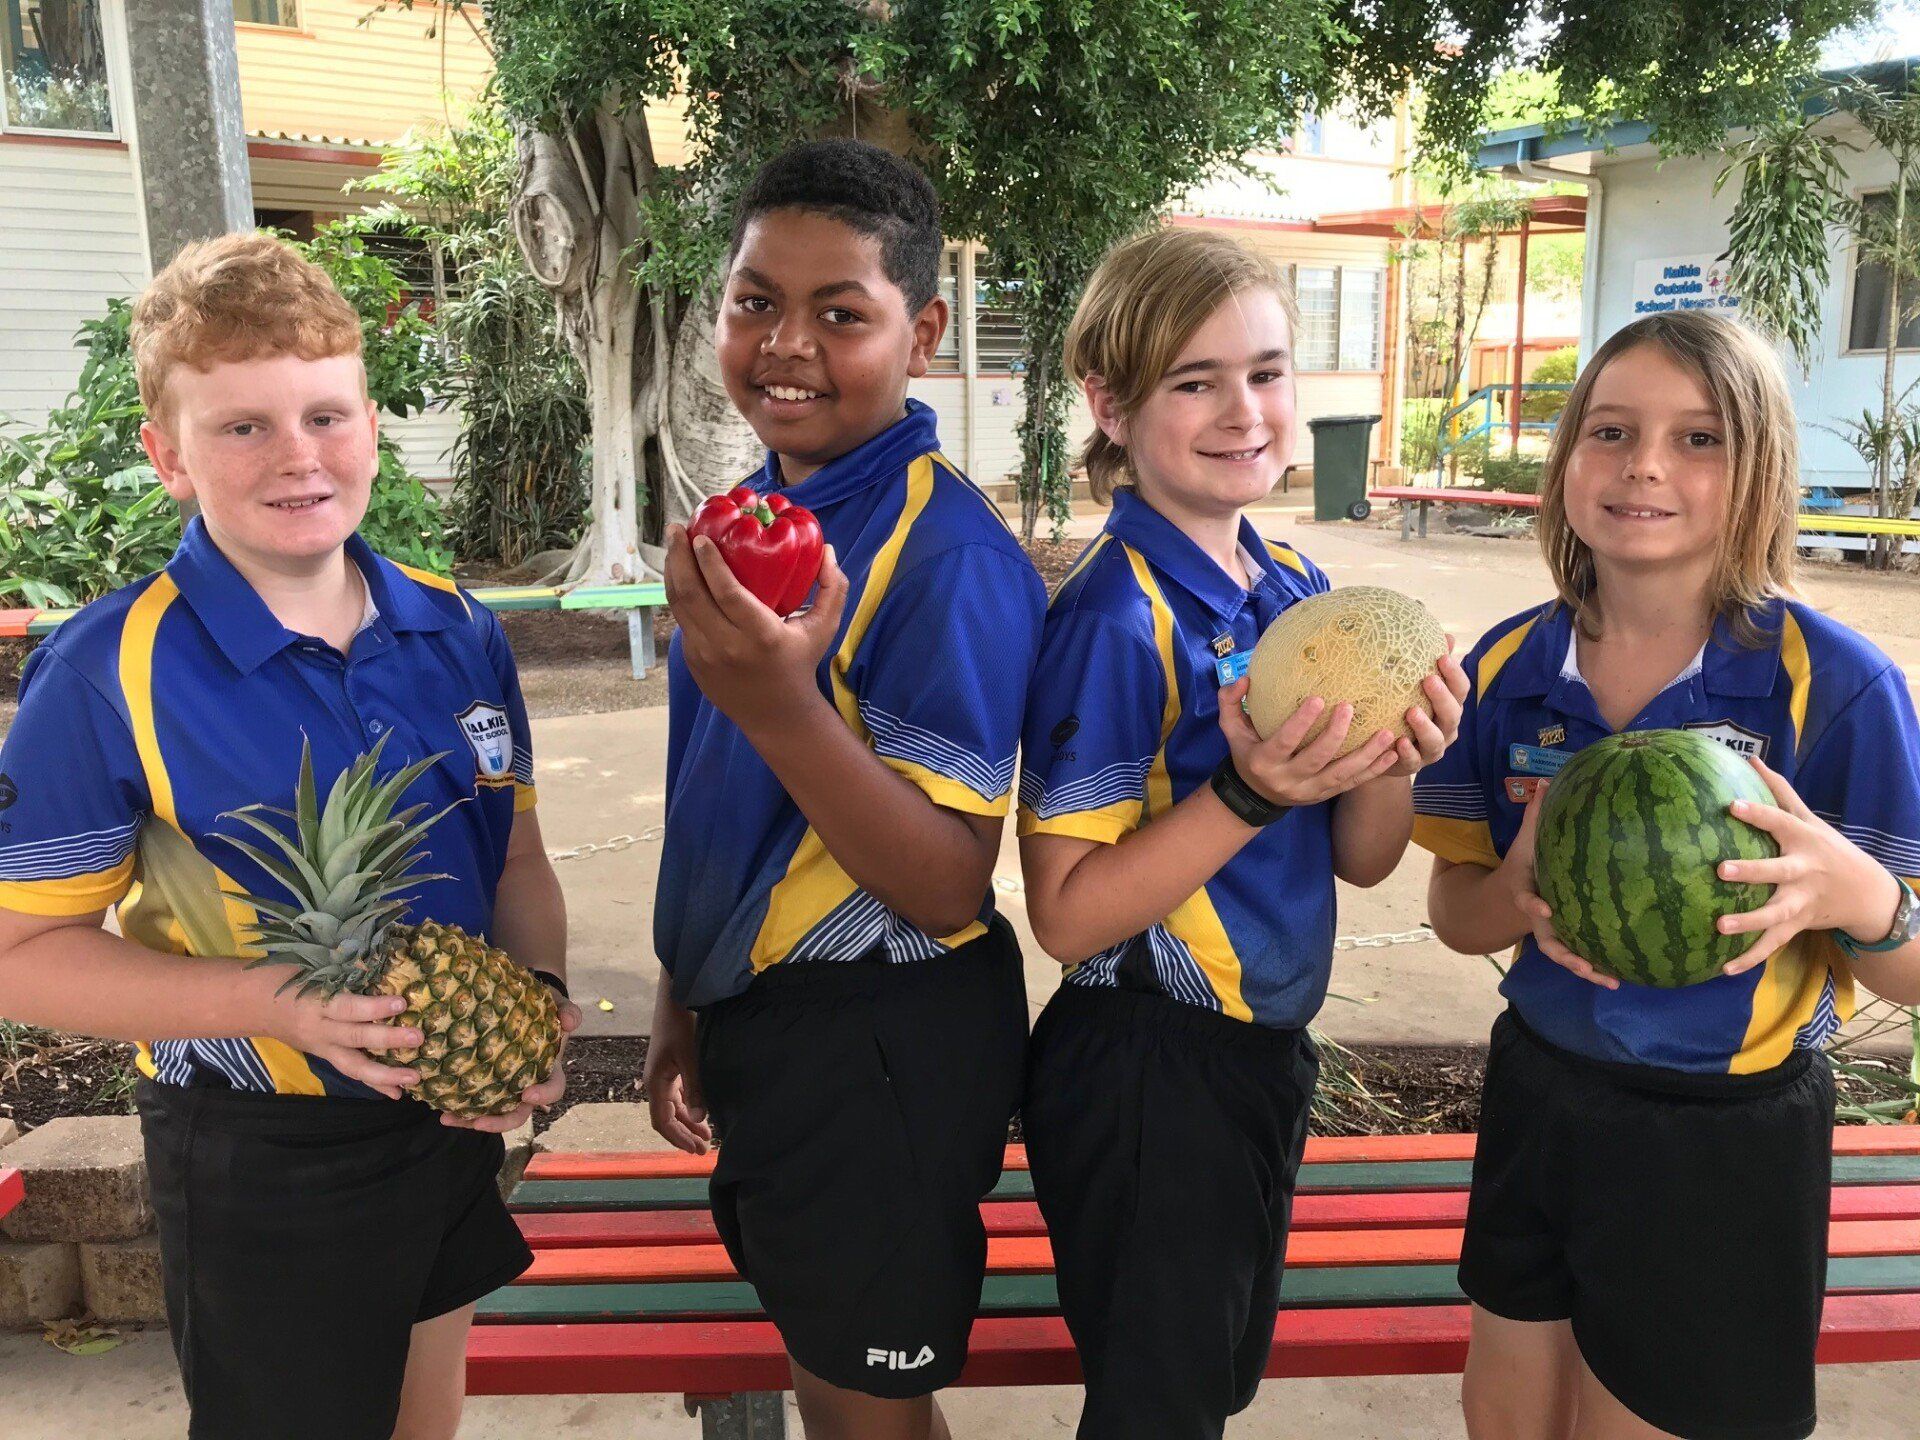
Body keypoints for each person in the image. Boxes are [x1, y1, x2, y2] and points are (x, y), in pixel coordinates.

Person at [0, 232, 577, 1439]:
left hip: (447, 1109)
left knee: (427, 1414)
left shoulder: (454, 625)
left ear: (372, 423)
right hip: (259, 1142)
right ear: (168, 455)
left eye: (327, 414)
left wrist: (534, 1006)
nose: (299, 456)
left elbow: (513, 856)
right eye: (243, 426)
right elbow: (21, 955)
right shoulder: (110, 670)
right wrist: (277, 1003)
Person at [1415, 309, 1920, 1440]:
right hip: (1540, 1092)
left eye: (1701, 439)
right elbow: (1455, 908)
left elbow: (1914, 965)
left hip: (1724, 1132)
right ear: (1566, 461)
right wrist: (1518, 895)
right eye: (1610, 430)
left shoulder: (1835, 687)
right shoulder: (1504, 669)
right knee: (1508, 1414)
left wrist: (1858, 898)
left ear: (1761, 472)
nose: (1645, 464)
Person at [1015, 226, 1467, 1439]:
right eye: (1193, 380)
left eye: (1265, 372)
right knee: (1160, 1408)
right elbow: (1064, 916)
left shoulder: (1299, 592)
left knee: (1200, 1387)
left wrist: (1399, 756)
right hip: (1146, 1067)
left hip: (1257, 1060)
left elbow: (1362, 856)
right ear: (1110, 403)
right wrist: (1249, 794)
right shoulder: (1114, 617)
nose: (1243, 409)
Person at [642, 138, 1046, 1440]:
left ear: (921, 332)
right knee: (838, 1373)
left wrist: (780, 700)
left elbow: (941, 879)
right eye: (756, 300)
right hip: (769, 1023)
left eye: (840, 313)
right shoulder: (742, 522)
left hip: (885, 1039)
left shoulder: (949, 555)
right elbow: (716, 790)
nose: (786, 343)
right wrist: (682, 991)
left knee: (861, 1405)